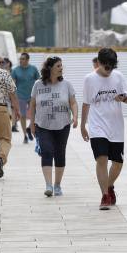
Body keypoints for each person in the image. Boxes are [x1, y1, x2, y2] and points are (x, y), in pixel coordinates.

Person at [81, 48, 127, 210]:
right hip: (97, 126)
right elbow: (86, 103)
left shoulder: (119, 76)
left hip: (116, 127)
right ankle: (104, 195)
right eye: (106, 67)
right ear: (99, 63)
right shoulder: (89, 79)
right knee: (101, 159)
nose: (109, 70)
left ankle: (109, 186)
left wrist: (124, 98)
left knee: (117, 163)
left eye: (112, 66)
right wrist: (83, 125)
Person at [29, 56, 78, 197]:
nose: (61, 68)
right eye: (58, 66)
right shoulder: (38, 85)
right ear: (50, 68)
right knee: (47, 152)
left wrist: (75, 117)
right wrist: (32, 123)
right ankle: (48, 185)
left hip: (63, 125)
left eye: (61, 66)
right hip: (43, 125)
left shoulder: (67, 84)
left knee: (60, 153)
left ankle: (57, 185)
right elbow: (32, 105)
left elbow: (73, 102)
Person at [11, 52, 40, 144]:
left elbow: (38, 81)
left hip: (32, 96)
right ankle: (25, 135)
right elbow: (13, 84)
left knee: (35, 115)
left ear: (27, 60)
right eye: (20, 59)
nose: (21, 60)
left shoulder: (33, 69)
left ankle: (29, 127)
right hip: (20, 96)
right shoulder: (15, 70)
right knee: (23, 115)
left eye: (23, 59)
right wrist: (13, 96)